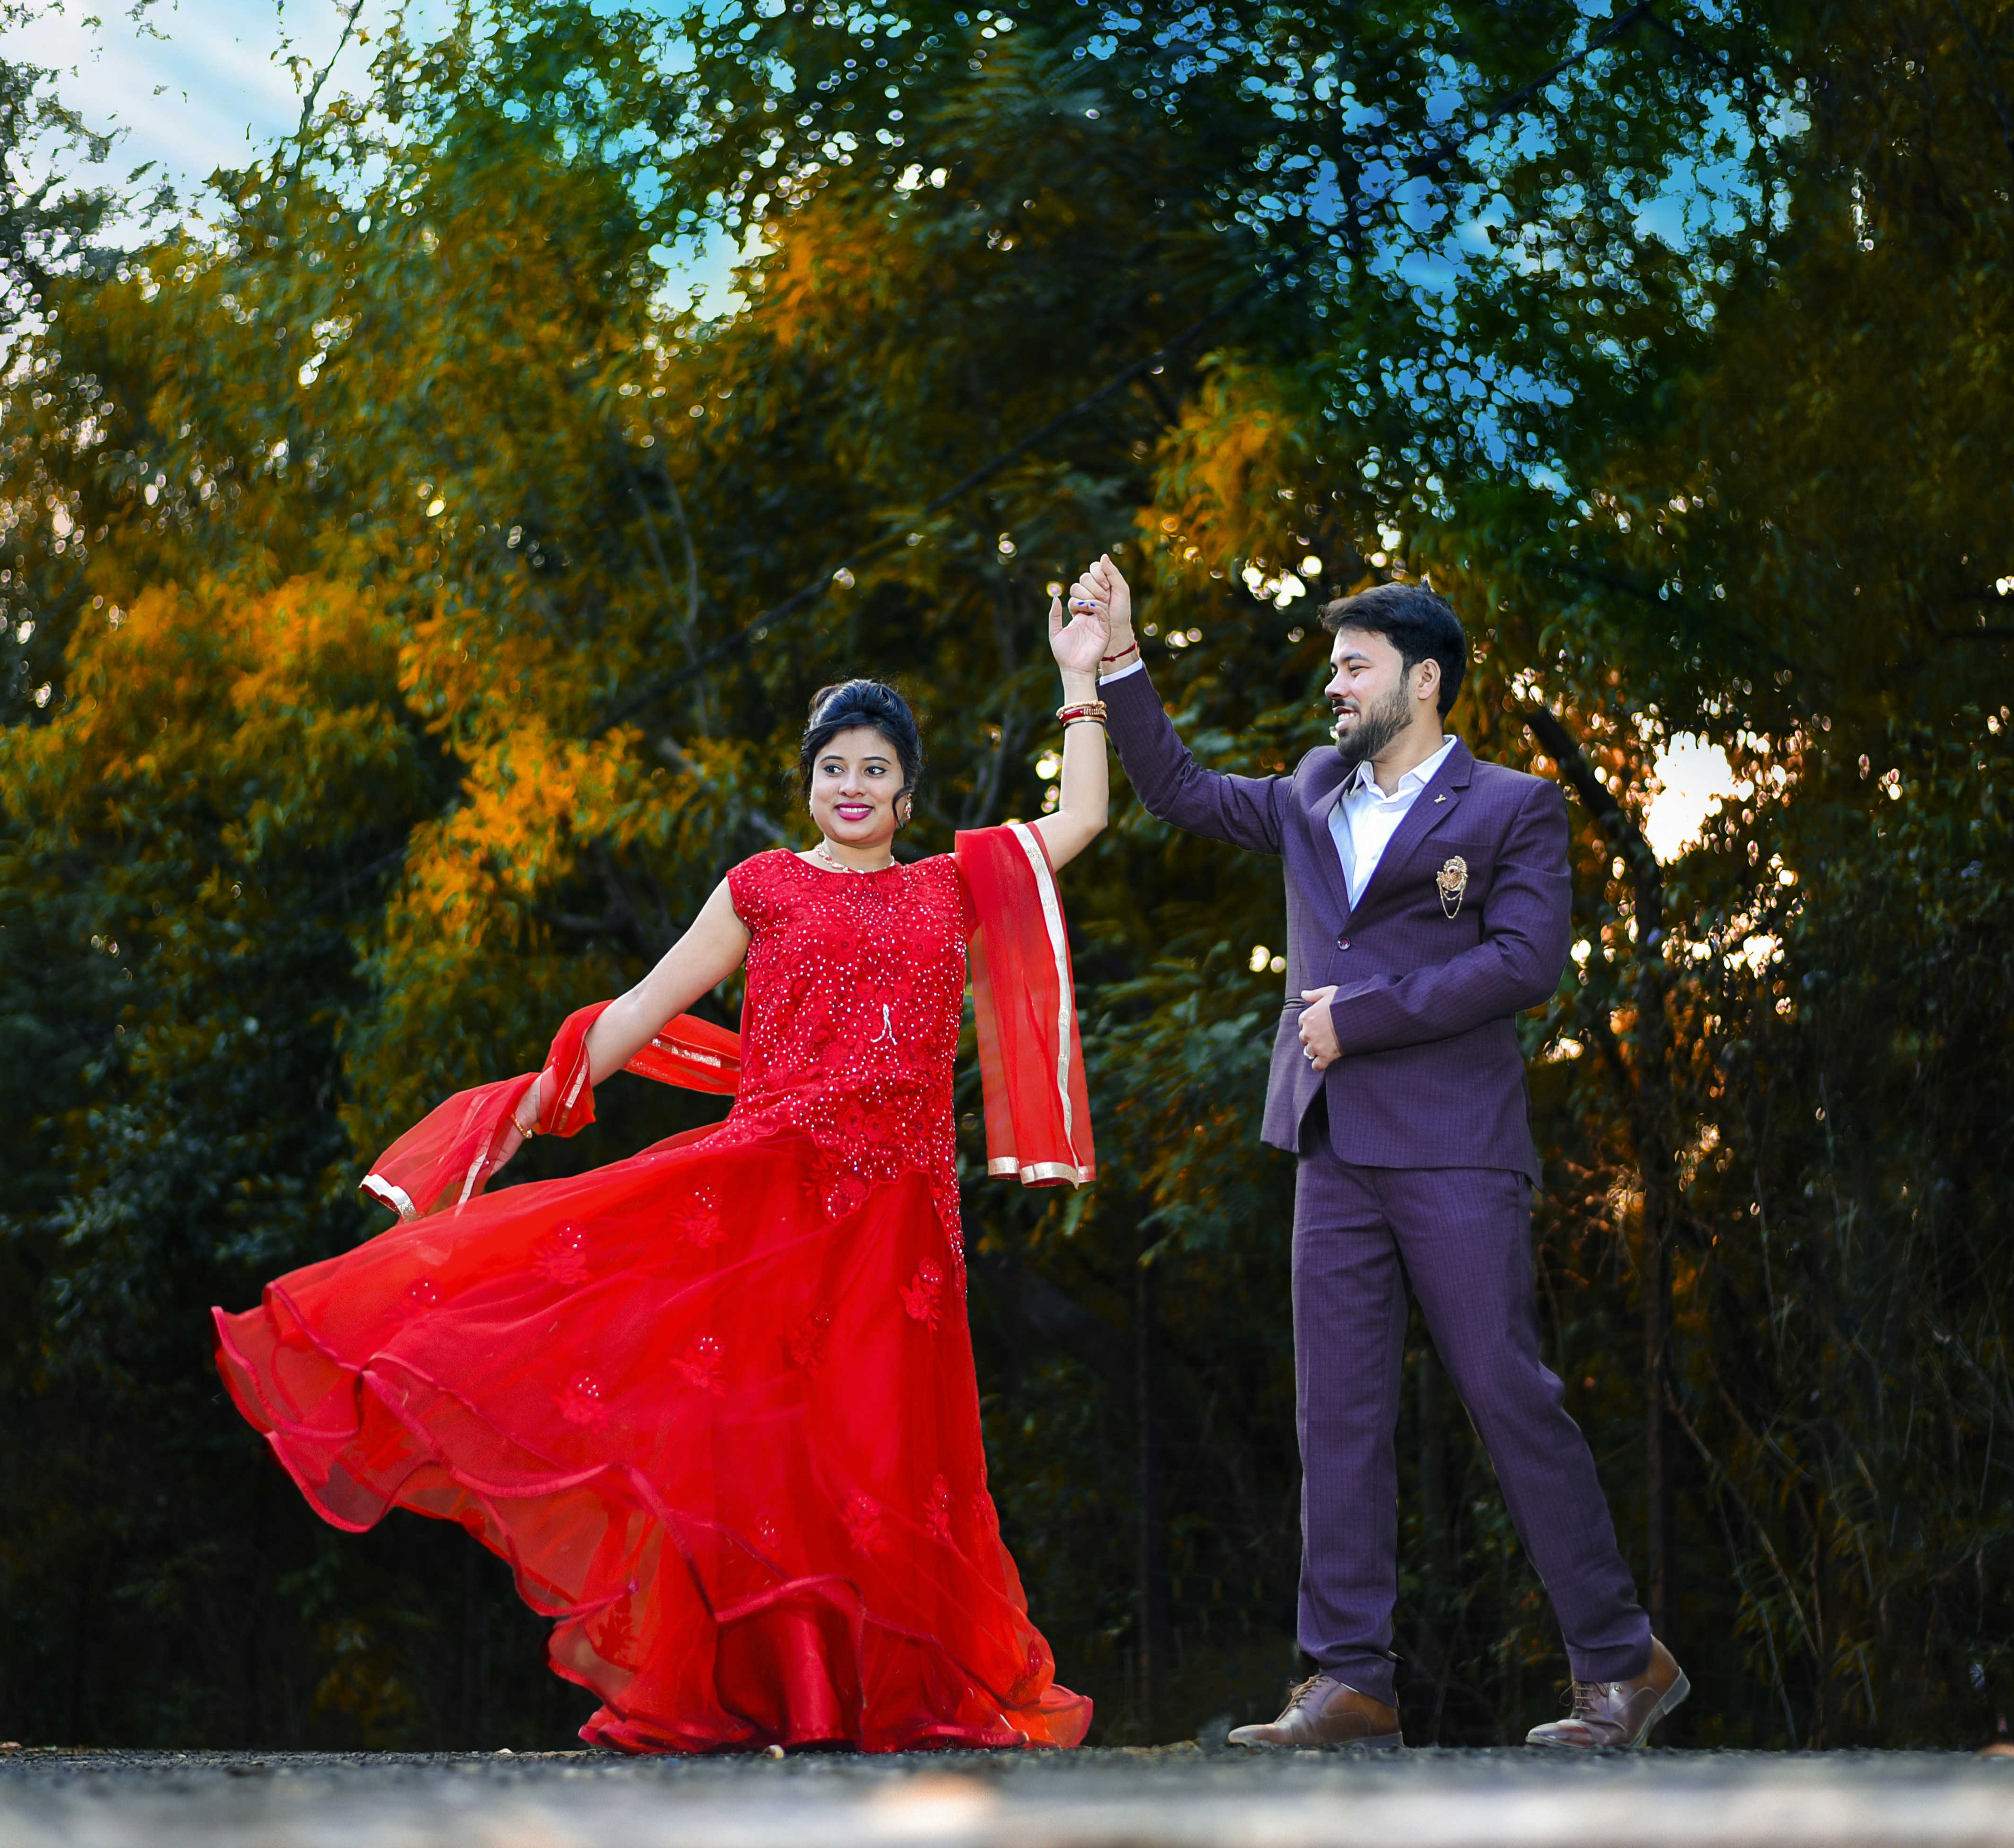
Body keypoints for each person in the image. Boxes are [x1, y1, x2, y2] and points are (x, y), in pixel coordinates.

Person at [212, 599, 1118, 1755]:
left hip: (897, 1228)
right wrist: (535, 1105)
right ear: (808, 784)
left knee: (881, 1461)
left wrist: (1083, 677)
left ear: (905, 793)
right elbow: (645, 1010)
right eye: (832, 766)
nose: (851, 785)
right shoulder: (762, 889)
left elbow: (1083, 814)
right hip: (766, 1202)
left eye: (874, 769)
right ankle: (756, 1695)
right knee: (754, 1445)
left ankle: (875, 1696)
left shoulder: (949, 887)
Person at [1070, 554, 1687, 1750]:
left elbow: (1525, 962)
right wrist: (1119, 663)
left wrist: (1361, 1014)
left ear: (1426, 679)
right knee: (1337, 1414)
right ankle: (1348, 1681)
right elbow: (1182, 791)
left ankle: (1622, 1664)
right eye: (1333, 669)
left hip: (1456, 1149)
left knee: (1510, 1395)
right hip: (1331, 1150)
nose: (1334, 689)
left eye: (1355, 668)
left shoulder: (1513, 806)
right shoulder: (1309, 791)